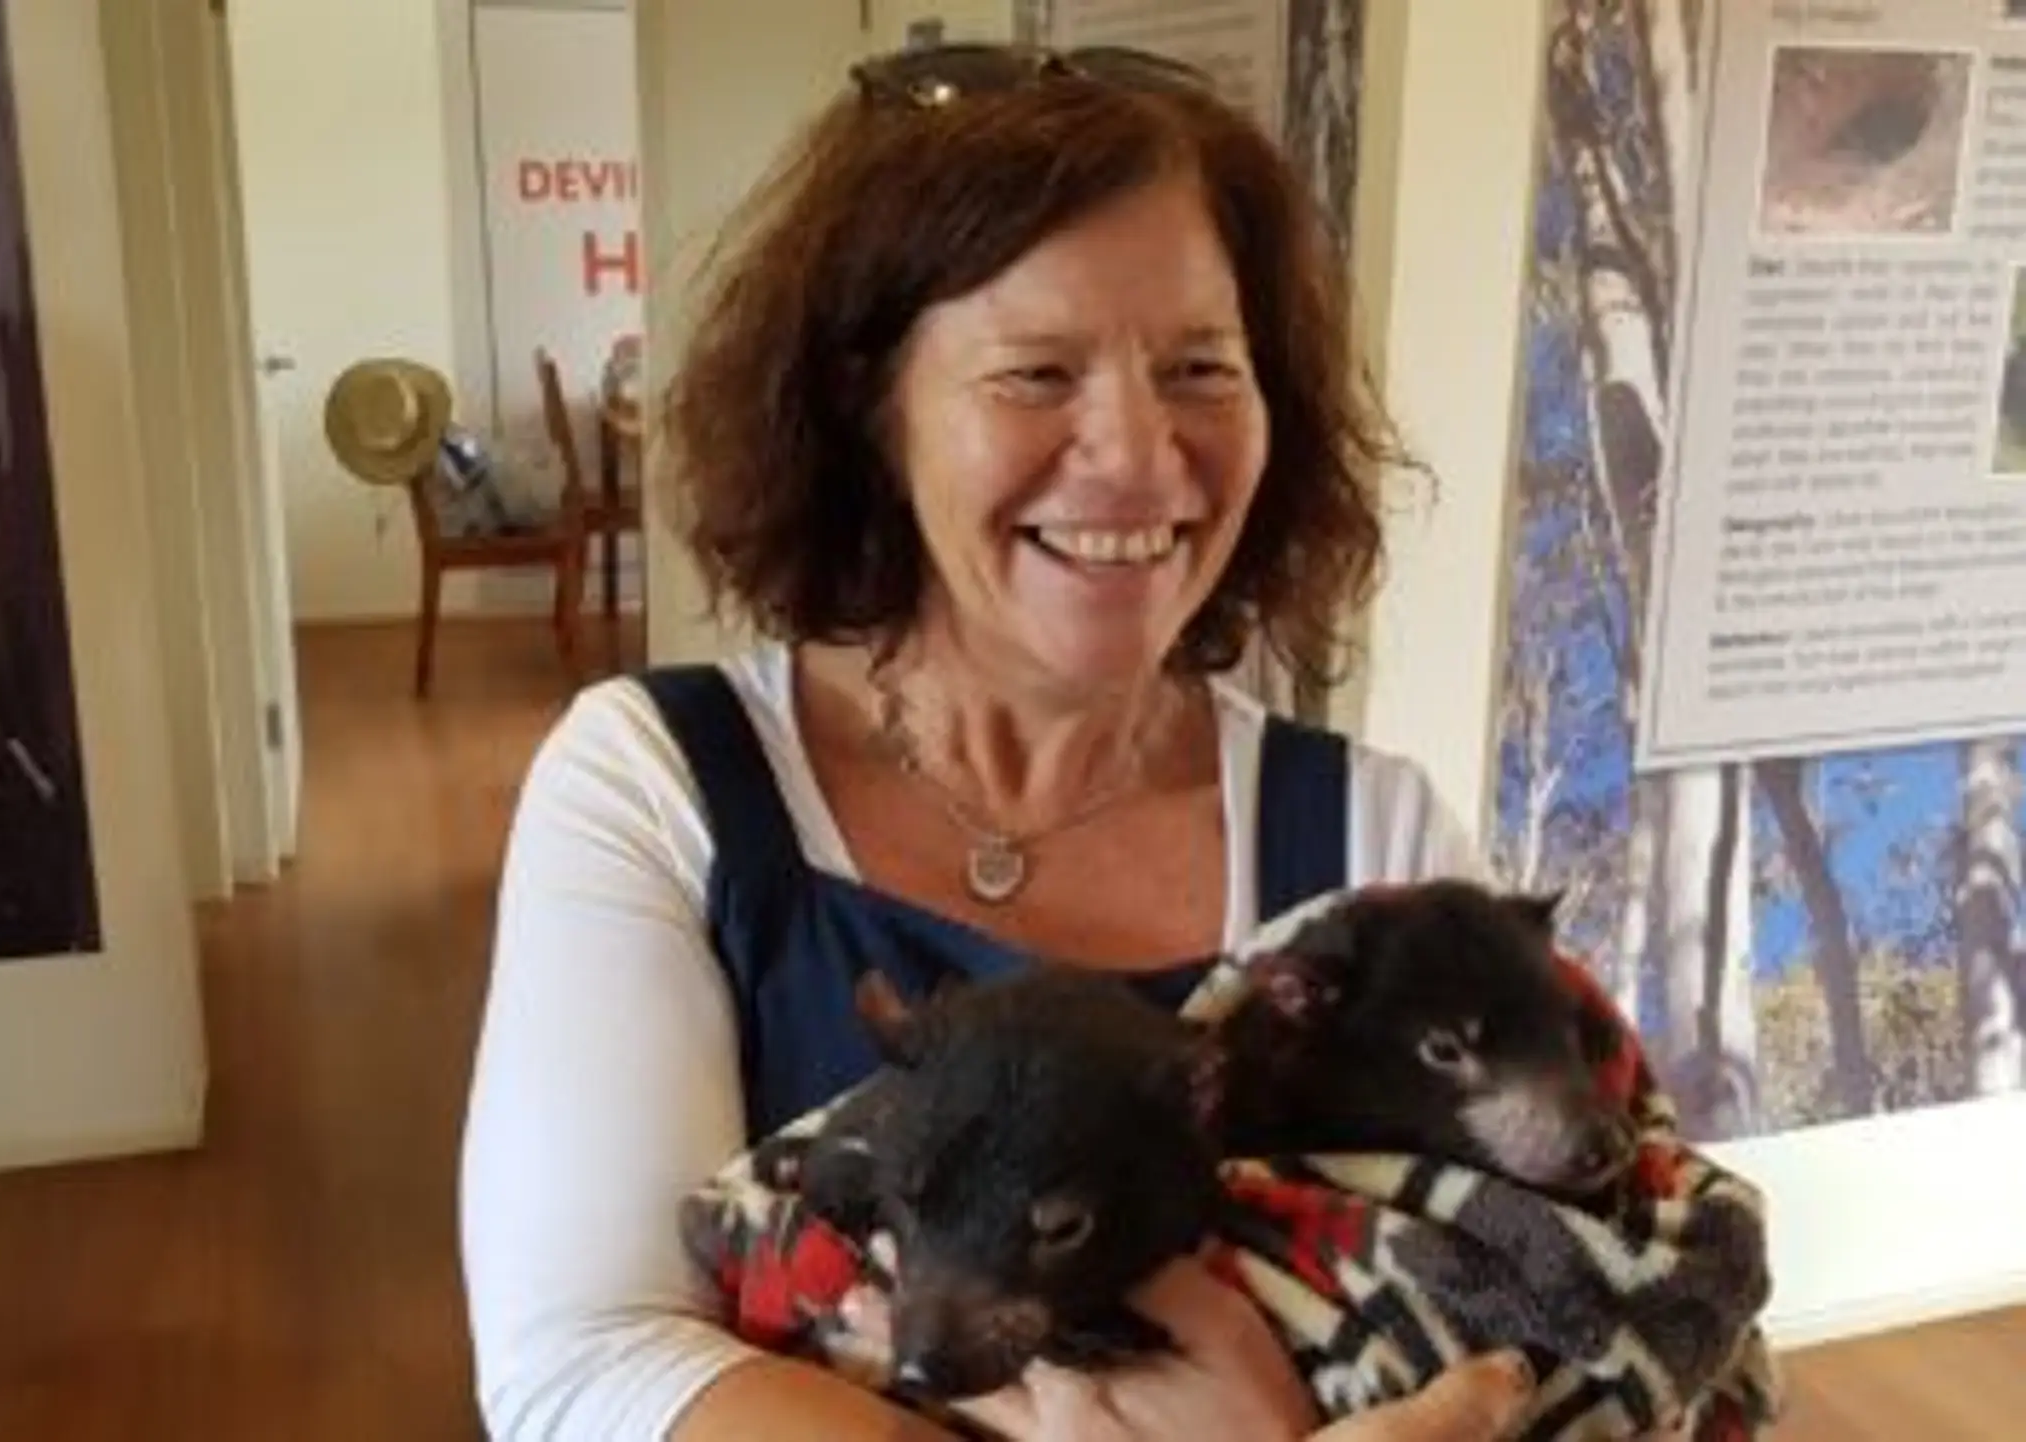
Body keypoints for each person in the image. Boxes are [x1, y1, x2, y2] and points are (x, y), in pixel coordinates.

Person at [459, 41, 1589, 1442]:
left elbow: (1561, 1306)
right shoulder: (660, 782)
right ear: (873, 412)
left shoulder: (1376, 838)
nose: (1139, 453)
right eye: (1037, 373)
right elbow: (578, 1369)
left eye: (1200, 367)